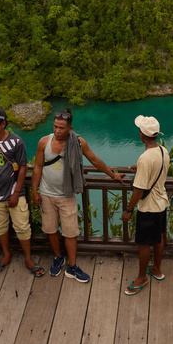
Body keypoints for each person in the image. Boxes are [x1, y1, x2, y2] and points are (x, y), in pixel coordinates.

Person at [31, 109, 124, 283]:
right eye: (55, 127)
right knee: (50, 229)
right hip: (47, 194)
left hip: (67, 195)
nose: (57, 131)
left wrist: (113, 175)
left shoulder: (78, 143)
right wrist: (34, 191)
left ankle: (72, 266)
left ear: (70, 128)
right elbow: (37, 166)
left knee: (70, 232)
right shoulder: (44, 142)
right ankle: (58, 258)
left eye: (61, 128)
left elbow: (94, 160)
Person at [0, 108, 44, 277]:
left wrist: (16, 192)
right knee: (0, 227)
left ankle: (28, 259)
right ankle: (6, 255)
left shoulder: (17, 142)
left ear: (3, 124)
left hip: (15, 193)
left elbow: (23, 167)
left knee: (22, 226)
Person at [122, 115, 170, 296]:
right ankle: (157, 269)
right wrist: (140, 168)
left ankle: (141, 278)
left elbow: (138, 190)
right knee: (158, 237)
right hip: (161, 202)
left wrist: (128, 210)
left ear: (142, 135)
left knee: (143, 244)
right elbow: (157, 169)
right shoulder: (163, 151)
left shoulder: (145, 158)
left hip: (148, 207)